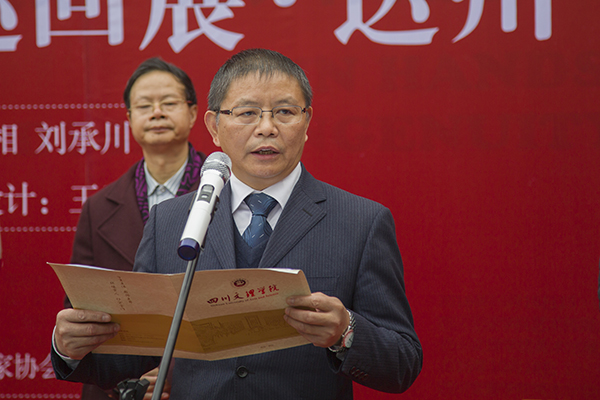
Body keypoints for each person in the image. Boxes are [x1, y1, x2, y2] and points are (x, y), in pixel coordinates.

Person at [51, 49, 422, 399]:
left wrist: (345, 332)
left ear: (307, 121)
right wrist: (70, 348)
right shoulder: (171, 221)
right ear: (214, 126)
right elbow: (133, 353)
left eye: (285, 112)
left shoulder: (361, 221)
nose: (266, 128)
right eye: (247, 113)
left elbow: (402, 363)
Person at [64, 57, 205, 399]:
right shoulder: (99, 207)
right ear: (129, 118)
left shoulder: (230, 195)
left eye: (168, 103)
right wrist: (131, 379)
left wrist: (175, 373)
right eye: (144, 105)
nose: (156, 113)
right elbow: (81, 306)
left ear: (193, 113)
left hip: (206, 381)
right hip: (118, 385)